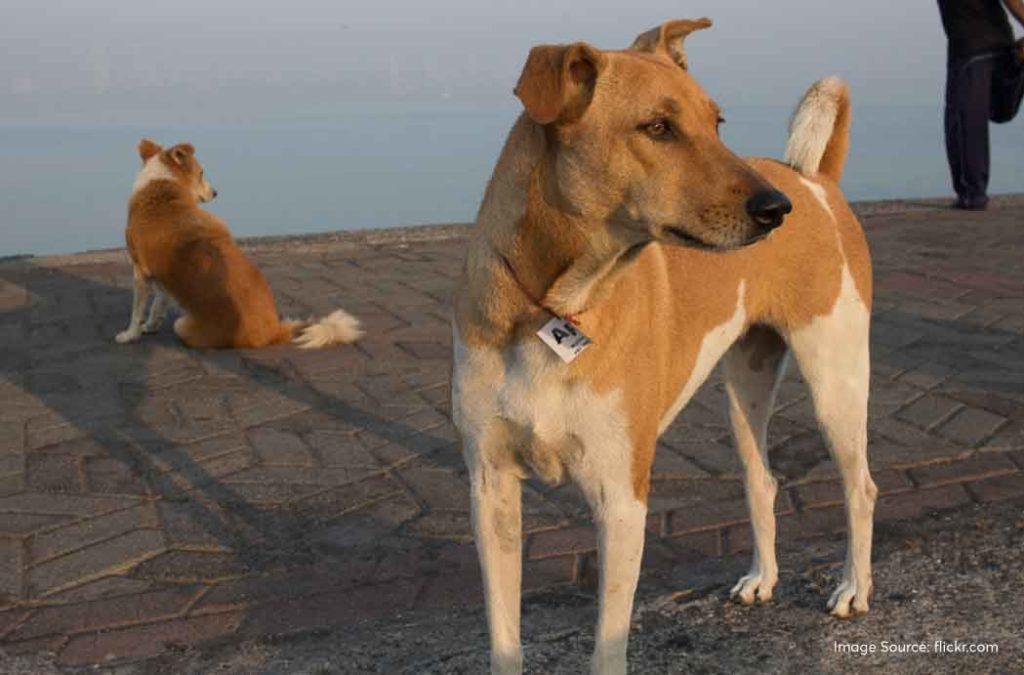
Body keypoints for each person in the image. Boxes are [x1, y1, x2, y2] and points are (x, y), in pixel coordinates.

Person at [939, 0, 1024, 210]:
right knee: (999, 110)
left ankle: (972, 193)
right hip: (1001, 45)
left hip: (971, 49)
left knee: (964, 121)